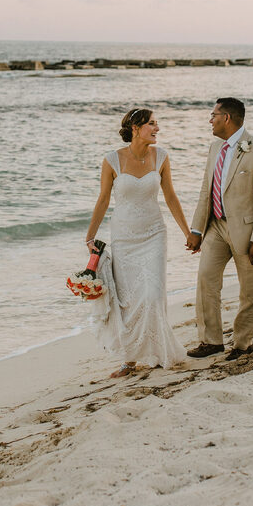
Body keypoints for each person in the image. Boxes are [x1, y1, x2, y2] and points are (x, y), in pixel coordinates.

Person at [85, 108, 190, 378]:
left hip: (154, 233)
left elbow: (170, 197)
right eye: (152, 124)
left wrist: (187, 232)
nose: (157, 128)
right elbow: (103, 200)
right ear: (135, 127)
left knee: (153, 296)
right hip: (124, 237)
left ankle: (159, 351)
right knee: (128, 301)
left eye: (157, 124)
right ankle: (129, 360)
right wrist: (90, 236)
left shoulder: (162, 156)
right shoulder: (112, 160)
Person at [185, 97, 253, 361]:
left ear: (227, 118)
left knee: (249, 291)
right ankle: (211, 341)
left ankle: (242, 343)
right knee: (206, 280)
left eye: (213, 115)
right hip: (216, 226)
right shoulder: (215, 148)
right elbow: (206, 190)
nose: (210, 120)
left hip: (248, 233)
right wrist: (197, 230)